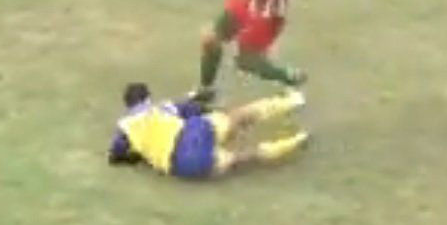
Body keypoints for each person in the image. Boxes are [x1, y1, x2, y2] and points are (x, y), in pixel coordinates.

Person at [107, 82, 308, 179]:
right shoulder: (161, 107)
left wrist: (141, 157)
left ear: (128, 105)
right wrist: (206, 106)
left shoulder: (125, 127)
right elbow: (192, 109)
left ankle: (297, 140)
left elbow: (115, 156)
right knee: (239, 117)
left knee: (244, 157)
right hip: (193, 132)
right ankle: (291, 100)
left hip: (181, 164)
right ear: (147, 97)